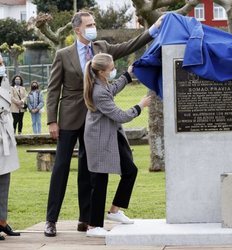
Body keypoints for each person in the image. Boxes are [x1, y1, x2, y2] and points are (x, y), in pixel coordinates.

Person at [45, 10, 163, 237]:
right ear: (77, 29)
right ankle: (51, 220)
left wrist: (154, 29)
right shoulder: (63, 54)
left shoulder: (101, 48)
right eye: (89, 24)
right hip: (70, 118)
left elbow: (130, 45)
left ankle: (86, 219)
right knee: (60, 169)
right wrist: (52, 120)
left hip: (96, 122)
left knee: (90, 172)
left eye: (94, 23)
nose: (93, 27)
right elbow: (53, 90)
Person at [83, 53, 151, 237]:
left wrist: (127, 75)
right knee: (99, 181)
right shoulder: (98, 92)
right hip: (99, 139)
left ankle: (114, 211)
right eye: (111, 68)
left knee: (130, 170)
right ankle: (93, 226)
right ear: (102, 72)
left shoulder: (102, 84)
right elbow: (120, 115)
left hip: (111, 135)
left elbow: (112, 89)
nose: (114, 70)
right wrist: (140, 105)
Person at [0, 56, 20, 240]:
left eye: (1, 63)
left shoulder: (4, 80)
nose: (1, 67)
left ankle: (2, 221)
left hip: (4, 133)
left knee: (4, 179)